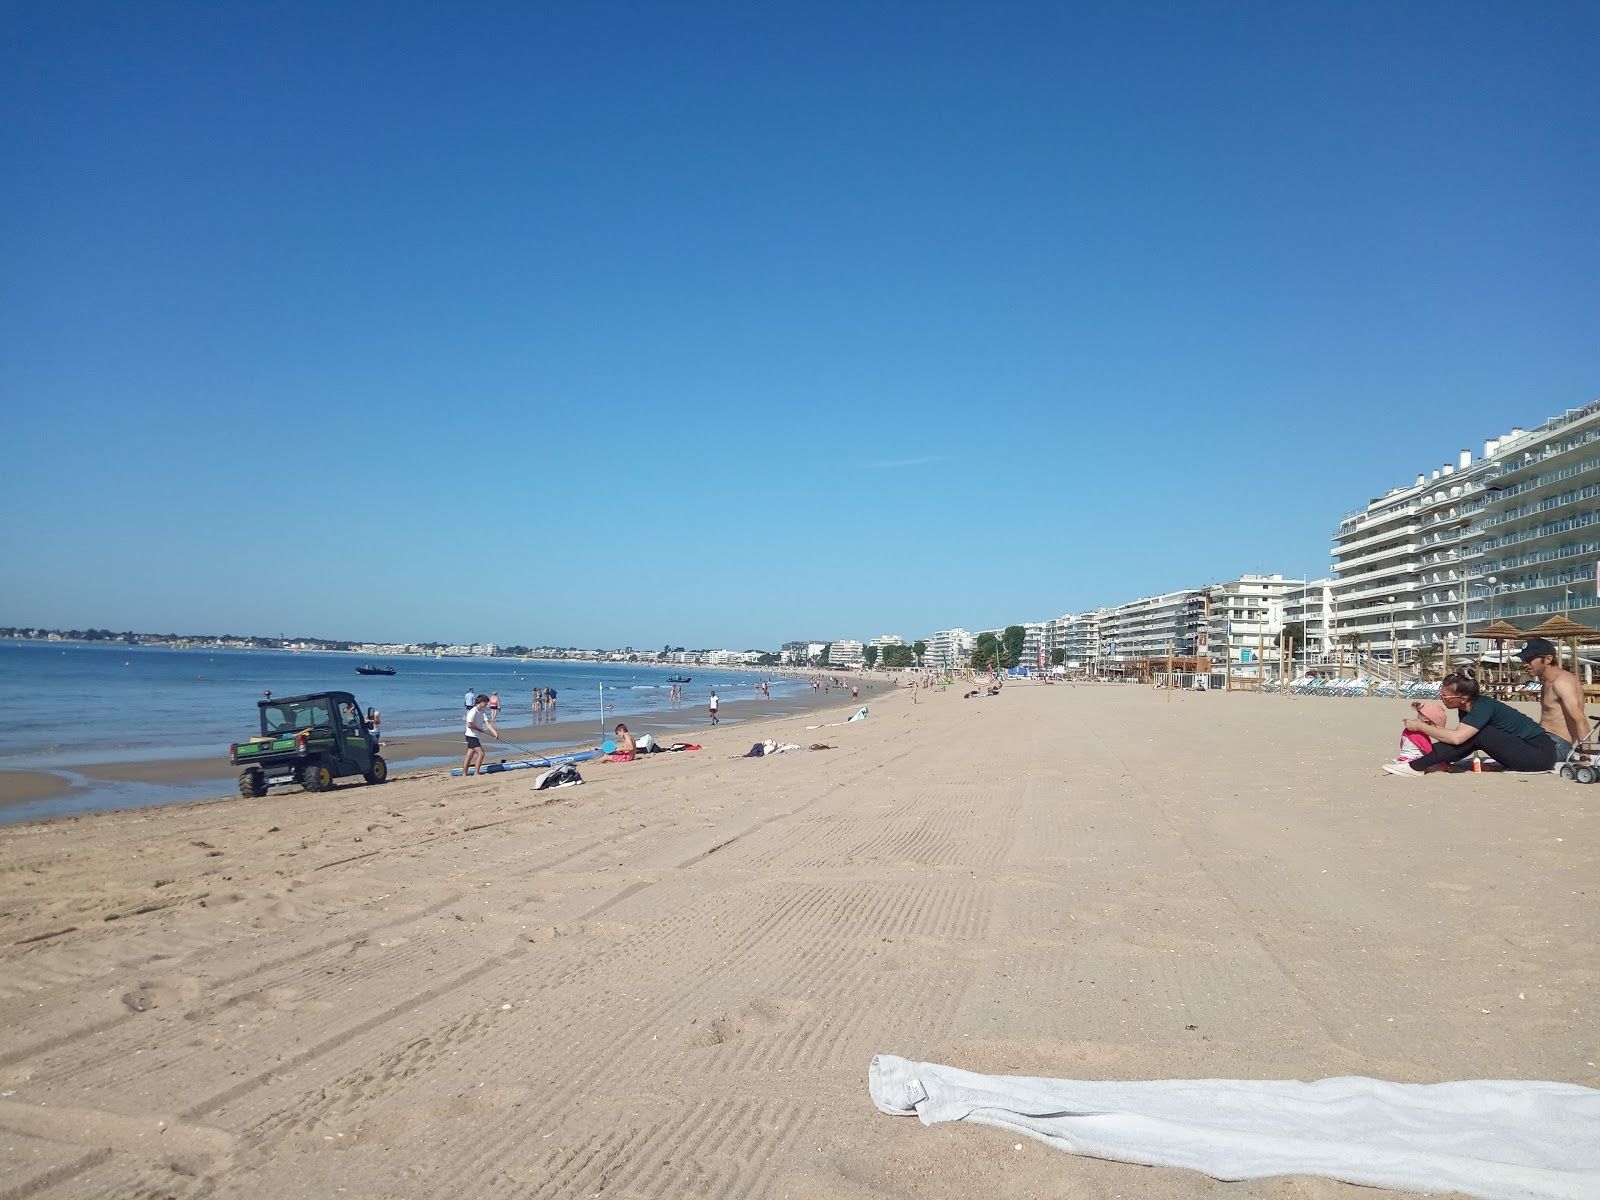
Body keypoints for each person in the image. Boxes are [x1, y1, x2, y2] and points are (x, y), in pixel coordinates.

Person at [1383, 673, 1561, 776]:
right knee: (1472, 736)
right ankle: (1419, 762)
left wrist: (1420, 726)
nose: (1441, 699)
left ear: (1463, 698)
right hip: (1523, 751)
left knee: (1478, 734)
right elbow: (1459, 742)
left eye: (1445, 696)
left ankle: (1416, 766)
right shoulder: (1465, 708)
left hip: (1538, 754)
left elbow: (1457, 738)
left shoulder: (1483, 706)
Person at [1518, 636, 1590, 764]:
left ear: (1548, 659)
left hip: (1558, 745)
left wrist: (1585, 758)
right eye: (1524, 659)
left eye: (1529, 659)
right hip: (1544, 738)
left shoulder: (1562, 682)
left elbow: (1581, 720)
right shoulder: (1547, 682)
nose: (1525, 664)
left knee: (1509, 750)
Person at [462, 693, 499, 776]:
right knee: (481, 753)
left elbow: (488, 723)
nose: (487, 704)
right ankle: (476, 773)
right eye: (486, 703)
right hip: (471, 735)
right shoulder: (473, 711)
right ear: (481, 702)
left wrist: (494, 732)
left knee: (469, 755)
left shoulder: (482, 712)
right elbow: (469, 724)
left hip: (476, 736)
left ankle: (464, 774)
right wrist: (478, 729)